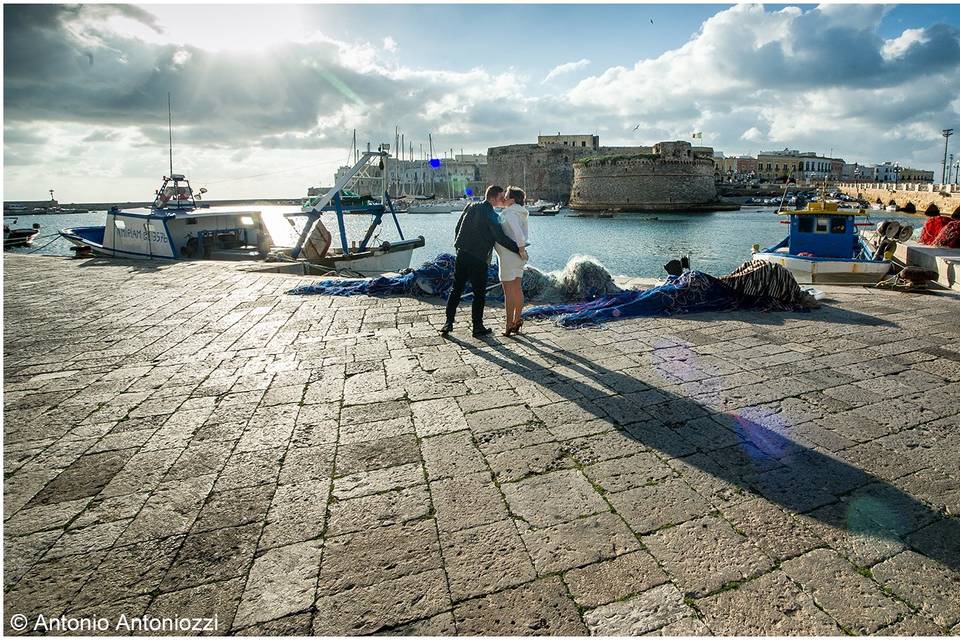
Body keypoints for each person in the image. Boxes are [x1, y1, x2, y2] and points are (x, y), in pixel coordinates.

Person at [441, 185, 527, 337]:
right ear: (493, 198)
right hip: (479, 257)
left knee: (456, 288)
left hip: (462, 253)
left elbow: (457, 227)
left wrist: (458, 245)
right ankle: (477, 326)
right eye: (501, 197)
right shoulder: (491, 214)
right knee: (479, 293)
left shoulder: (470, 206)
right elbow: (500, 237)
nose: (503, 200)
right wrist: (520, 250)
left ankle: (448, 322)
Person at [495, 186, 529, 336]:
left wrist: (521, 250)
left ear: (513, 200)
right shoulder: (521, 212)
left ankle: (509, 324)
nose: (504, 199)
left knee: (508, 292)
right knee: (517, 289)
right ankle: (517, 320)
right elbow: (522, 234)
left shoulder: (509, 212)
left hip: (510, 255)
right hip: (517, 256)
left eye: (506, 196)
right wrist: (522, 251)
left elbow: (518, 234)